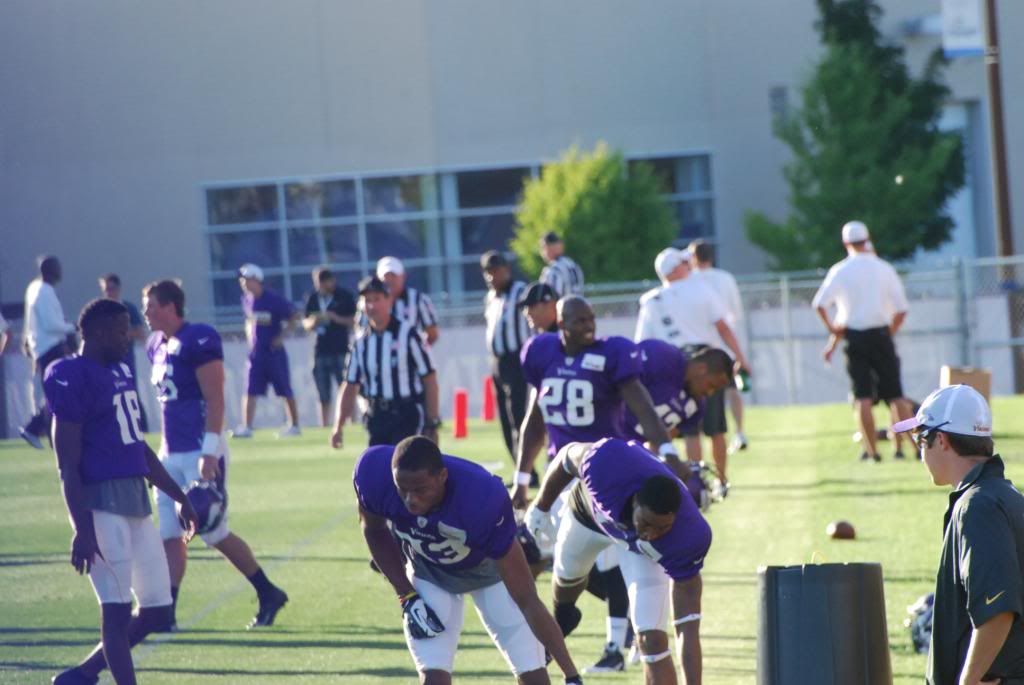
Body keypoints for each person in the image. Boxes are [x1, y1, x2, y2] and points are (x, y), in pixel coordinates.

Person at [44, 298, 199, 685]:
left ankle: (82, 675)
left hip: (135, 502)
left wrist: (180, 496)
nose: (126, 336)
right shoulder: (72, 375)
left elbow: (139, 448)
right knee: (115, 614)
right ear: (94, 333)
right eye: (118, 330)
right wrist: (80, 527)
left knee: (158, 611)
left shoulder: (120, 372)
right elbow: (67, 462)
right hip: (100, 506)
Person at [355, 436, 584, 685]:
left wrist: (571, 675)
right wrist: (406, 595)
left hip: (490, 574)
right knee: (433, 677)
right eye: (403, 489)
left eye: (420, 489)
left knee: (533, 675)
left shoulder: (480, 497)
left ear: (442, 476)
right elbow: (373, 529)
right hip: (429, 572)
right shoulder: (375, 474)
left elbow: (527, 599)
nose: (410, 499)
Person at [143, 280, 288, 632]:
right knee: (168, 534)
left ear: (170, 306)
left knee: (213, 532)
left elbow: (216, 399)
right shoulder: (154, 346)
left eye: (151, 305)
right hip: (170, 450)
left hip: (199, 449)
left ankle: (267, 591)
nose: (146, 312)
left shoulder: (200, 339)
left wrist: (209, 452)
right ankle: (168, 612)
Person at [525, 438, 710, 685]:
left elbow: (687, 627)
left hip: (636, 550)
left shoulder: (688, 536)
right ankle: (564, 616)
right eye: (646, 523)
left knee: (651, 639)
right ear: (635, 501)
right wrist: (541, 505)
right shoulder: (606, 463)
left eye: (662, 528)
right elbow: (566, 457)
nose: (651, 533)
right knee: (567, 578)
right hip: (586, 518)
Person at [893, 385, 1024, 684]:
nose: (919, 450)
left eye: (919, 438)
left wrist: (969, 679)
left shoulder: (977, 506)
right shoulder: (1005, 495)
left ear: (941, 440)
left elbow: (998, 607)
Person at [635, 248, 750, 499]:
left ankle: (691, 482)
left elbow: (642, 342)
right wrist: (740, 359)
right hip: (707, 365)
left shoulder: (652, 300)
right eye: (684, 263)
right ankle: (717, 480)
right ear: (676, 268)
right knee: (714, 427)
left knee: (688, 429)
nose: (689, 267)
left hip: (672, 369)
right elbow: (723, 327)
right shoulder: (700, 289)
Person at [812, 220, 913, 462]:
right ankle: (914, 446)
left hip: (854, 336)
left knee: (863, 397)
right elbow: (901, 309)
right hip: (880, 334)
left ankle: (871, 451)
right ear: (867, 239)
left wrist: (833, 331)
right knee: (896, 395)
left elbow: (820, 305)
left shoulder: (840, 270)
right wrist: (890, 332)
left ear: (846, 243)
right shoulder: (883, 268)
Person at [331, 276, 440, 449]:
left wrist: (432, 420)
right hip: (376, 415)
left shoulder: (408, 334)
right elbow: (350, 384)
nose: (372, 305)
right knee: (378, 470)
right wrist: (338, 425)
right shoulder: (360, 342)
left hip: (406, 413)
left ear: (389, 301)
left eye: (377, 299)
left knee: (403, 468)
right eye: (367, 300)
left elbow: (429, 377)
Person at [688, 240, 748, 452]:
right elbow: (735, 313)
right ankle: (739, 432)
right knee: (733, 390)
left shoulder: (689, 281)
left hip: (702, 349)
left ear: (693, 258)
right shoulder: (725, 279)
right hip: (726, 344)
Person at [231, 263, 301, 438]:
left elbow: (294, 316)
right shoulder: (246, 299)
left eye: (246, 279)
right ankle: (246, 426)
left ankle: (294, 425)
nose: (243, 283)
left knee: (284, 389)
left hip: (273, 353)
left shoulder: (273, 299)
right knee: (250, 390)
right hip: (256, 353)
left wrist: (281, 336)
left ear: (256, 279)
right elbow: (249, 321)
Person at [20, 255, 77, 449]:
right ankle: (35, 429)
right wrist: (73, 327)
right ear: (49, 270)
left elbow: (31, 320)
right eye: (57, 267)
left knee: (56, 394)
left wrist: (26, 341)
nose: (60, 271)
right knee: (59, 394)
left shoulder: (35, 288)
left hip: (44, 348)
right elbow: (52, 325)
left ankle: (42, 431)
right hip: (50, 349)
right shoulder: (43, 291)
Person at [482, 251, 531, 463]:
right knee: (504, 417)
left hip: (517, 359)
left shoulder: (521, 292)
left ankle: (526, 469)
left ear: (507, 270)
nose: (493, 277)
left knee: (518, 415)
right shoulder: (491, 297)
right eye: (489, 273)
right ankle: (519, 466)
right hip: (498, 361)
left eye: (497, 272)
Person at [302, 267, 356, 426]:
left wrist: (334, 317)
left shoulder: (344, 296)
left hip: (340, 349)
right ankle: (324, 424)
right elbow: (305, 322)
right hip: (320, 350)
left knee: (346, 388)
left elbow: (354, 320)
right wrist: (313, 322)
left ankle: (352, 422)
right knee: (323, 393)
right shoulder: (312, 298)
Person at [99, 273, 148, 432]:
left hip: (125, 357)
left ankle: (142, 427)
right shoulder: (100, 309)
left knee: (130, 392)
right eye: (106, 289)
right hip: (106, 360)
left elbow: (141, 333)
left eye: (111, 289)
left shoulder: (128, 308)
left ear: (118, 289)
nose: (109, 293)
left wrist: (119, 335)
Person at [376, 256, 440, 345]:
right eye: (385, 276)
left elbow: (432, 333)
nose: (389, 280)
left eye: (393, 275)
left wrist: (416, 350)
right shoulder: (370, 302)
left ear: (403, 276)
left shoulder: (418, 299)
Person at [539, 232, 585, 297]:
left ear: (547, 247)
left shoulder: (552, 270)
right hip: (578, 306)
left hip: (561, 306)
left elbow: (548, 298)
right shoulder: (574, 266)